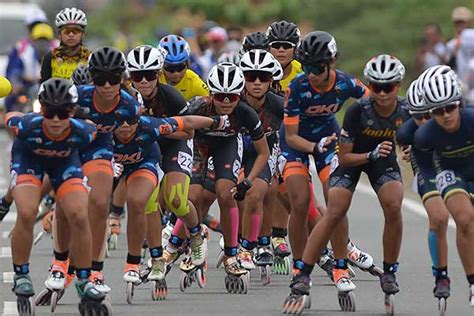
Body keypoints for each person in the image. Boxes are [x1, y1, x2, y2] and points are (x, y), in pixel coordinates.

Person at [283, 53, 409, 314]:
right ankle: (302, 272)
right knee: (322, 206)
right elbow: (343, 155)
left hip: (369, 155)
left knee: (393, 205)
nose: (382, 94)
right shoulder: (353, 110)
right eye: (376, 87)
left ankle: (381, 271)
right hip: (339, 152)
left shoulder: (399, 108)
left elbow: (416, 138)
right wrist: (367, 154)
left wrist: (411, 151)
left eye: (389, 88)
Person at [5, 78, 109, 315]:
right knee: (28, 211)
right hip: (29, 160)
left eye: (62, 114)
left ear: (72, 112)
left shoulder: (84, 131)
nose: (54, 120)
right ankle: (21, 275)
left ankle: (84, 279)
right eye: (49, 112)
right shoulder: (26, 125)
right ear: (41, 108)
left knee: (79, 215)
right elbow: (8, 115)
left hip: (63, 162)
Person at [279, 31, 372, 278]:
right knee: (299, 202)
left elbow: (376, 102)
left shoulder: (345, 83)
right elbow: (290, 137)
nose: (311, 74)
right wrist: (313, 146)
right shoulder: (296, 87)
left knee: (336, 200)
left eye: (317, 68)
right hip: (297, 142)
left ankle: (341, 263)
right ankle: (300, 266)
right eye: (307, 67)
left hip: (329, 139)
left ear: (331, 62)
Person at [188, 63, 269, 293]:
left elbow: (264, 152)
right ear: (210, 94)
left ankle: (232, 255)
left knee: (227, 194)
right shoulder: (198, 105)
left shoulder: (246, 112)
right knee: (192, 197)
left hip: (227, 146)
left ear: (239, 94)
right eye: (220, 96)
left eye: (232, 97)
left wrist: (249, 180)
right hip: (199, 146)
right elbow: (181, 127)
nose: (226, 102)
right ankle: (191, 239)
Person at [126, 45, 208, 273]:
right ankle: (157, 256)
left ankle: (196, 234)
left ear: (158, 73)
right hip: (146, 149)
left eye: (150, 75)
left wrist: (157, 129)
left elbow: (189, 132)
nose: (144, 81)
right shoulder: (127, 98)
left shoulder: (171, 96)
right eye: (137, 76)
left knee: (176, 199)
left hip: (175, 143)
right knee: (149, 203)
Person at [414, 66, 474, 308]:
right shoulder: (424, 135)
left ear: (459, 103)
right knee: (465, 219)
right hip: (448, 171)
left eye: (450, 107)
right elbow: (425, 169)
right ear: (430, 111)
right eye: (438, 111)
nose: (446, 115)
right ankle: (472, 283)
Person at [396, 69, 451, 307]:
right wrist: (409, 151)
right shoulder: (407, 130)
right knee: (439, 218)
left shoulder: (457, 114)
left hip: (457, 163)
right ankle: (440, 276)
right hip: (427, 166)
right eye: (418, 117)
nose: (425, 122)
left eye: (431, 114)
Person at [5, 23, 56, 112]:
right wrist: (15, 85)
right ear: (32, 41)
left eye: (45, 40)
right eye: (39, 40)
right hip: (28, 88)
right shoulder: (24, 54)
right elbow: (15, 72)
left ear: (50, 41)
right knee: (11, 101)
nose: (42, 44)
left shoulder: (59, 54)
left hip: (51, 90)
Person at [40, 7, 91, 82]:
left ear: (83, 34)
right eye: (67, 31)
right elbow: (43, 88)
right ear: (59, 34)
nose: (71, 35)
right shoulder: (50, 57)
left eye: (76, 31)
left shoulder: (90, 58)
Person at [158, 36, 209, 101]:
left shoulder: (193, 80)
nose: (176, 73)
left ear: (188, 64)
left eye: (180, 67)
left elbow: (210, 102)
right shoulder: (155, 78)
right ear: (161, 65)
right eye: (170, 68)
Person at [266, 20, 302, 92]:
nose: (281, 50)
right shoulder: (258, 74)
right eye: (276, 45)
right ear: (268, 48)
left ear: (295, 50)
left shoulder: (302, 72)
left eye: (287, 46)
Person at [446, 6, 473, 72]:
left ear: (470, 22)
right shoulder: (451, 44)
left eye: (462, 22)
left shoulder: (471, 35)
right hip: (460, 79)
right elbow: (448, 66)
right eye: (457, 22)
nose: (460, 25)